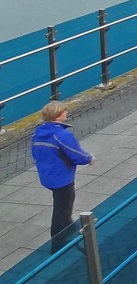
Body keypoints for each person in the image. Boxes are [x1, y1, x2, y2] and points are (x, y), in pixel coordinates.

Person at [31, 101, 94, 253]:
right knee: (62, 209)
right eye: (64, 111)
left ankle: (71, 230)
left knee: (63, 206)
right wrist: (89, 158)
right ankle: (58, 245)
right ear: (58, 115)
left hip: (48, 176)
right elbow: (76, 155)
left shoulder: (38, 133)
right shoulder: (62, 135)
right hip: (62, 178)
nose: (67, 113)